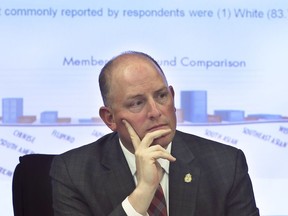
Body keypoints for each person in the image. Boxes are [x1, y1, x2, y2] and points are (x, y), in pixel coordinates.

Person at [50, 51, 260, 216]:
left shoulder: (225, 165)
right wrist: (142, 193)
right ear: (110, 118)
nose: (155, 111)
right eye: (137, 103)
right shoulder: (74, 173)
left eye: (161, 96)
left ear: (172, 96)